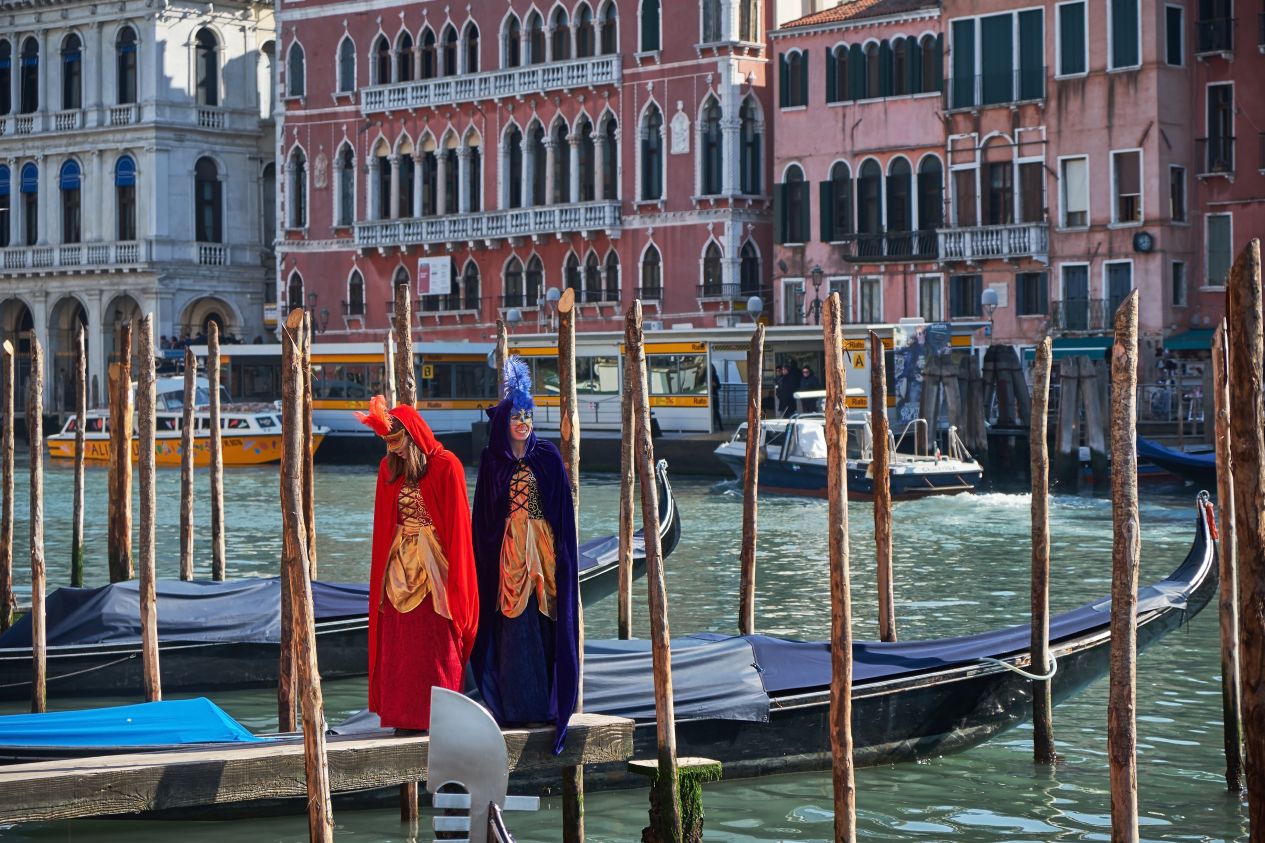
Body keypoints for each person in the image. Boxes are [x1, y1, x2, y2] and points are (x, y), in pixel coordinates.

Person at [471, 358, 579, 754]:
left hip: (544, 554)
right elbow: (482, 518)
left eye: (528, 415)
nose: (523, 422)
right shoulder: (492, 462)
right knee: (512, 628)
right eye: (516, 415)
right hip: (507, 557)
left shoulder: (548, 458)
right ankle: (515, 708)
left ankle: (546, 706)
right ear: (504, 422)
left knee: (546, 625)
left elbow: (562, 514)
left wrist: (564, 559)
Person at [355, 396, 479, 733]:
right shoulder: (388, 470)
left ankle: (438, 717)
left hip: (435, 565)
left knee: (435, 642)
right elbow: (384, 525)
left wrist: (459, 580)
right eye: (388, 443)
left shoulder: (446, 465)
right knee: (400, 643)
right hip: (398, 568)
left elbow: (458, 529)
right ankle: (403, 716)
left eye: (397, 442)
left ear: (413, 436)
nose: (393, 450)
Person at [710, 363, 724, 432]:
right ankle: (714, 425)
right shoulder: (707, 377)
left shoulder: (715, 376)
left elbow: (719, 386)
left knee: (716, 411)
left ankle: (720, 426)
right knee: (714, 411)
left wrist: (714, 385)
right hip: (710, 396)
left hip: (714, 396)